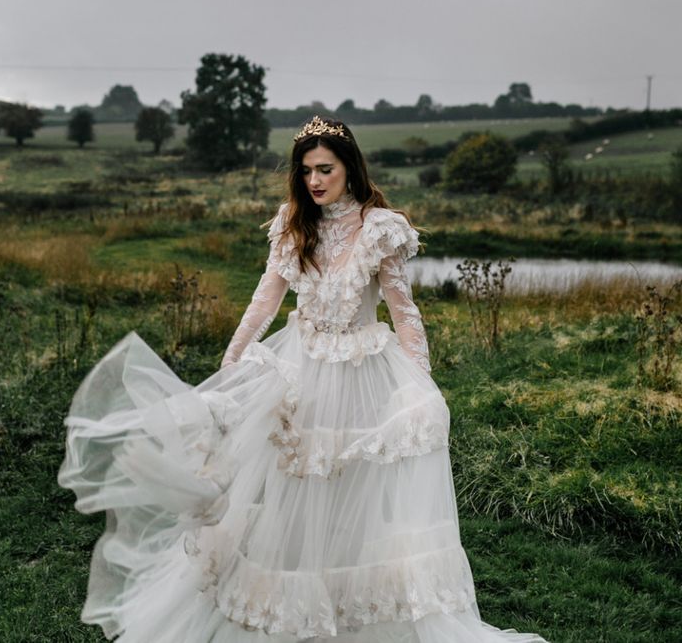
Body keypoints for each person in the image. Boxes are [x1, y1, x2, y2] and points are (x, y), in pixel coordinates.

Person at [59, 116, 549, 642]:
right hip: (299, 371)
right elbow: (263, 302)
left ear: (349, 169)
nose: (315, 181)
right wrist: (230, 369)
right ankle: (295, 607)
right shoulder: (293, 224)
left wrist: (420, 386)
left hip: (362, 371)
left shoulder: (379, 227)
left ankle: (355, 607)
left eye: (325, 169)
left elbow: (404, 314)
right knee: (291, 489)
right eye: (307, 171)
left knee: (352, 489)